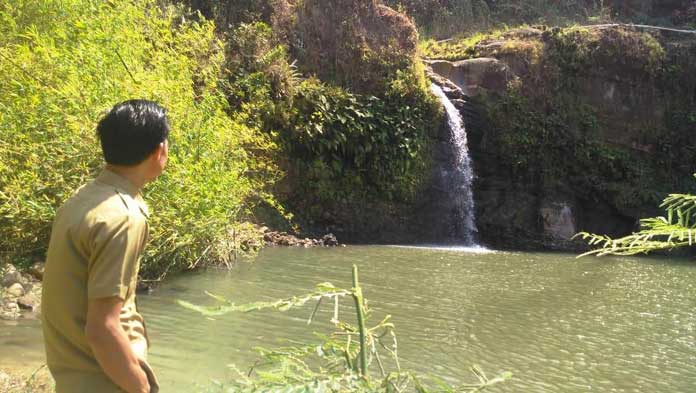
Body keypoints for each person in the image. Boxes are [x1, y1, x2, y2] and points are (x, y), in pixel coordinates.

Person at [42, 100, 169, 393]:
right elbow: (103, 329)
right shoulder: (123, 217)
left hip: (73, 379)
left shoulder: (83, 198)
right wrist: (141, 387)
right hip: (107, 381)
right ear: (159, 150)